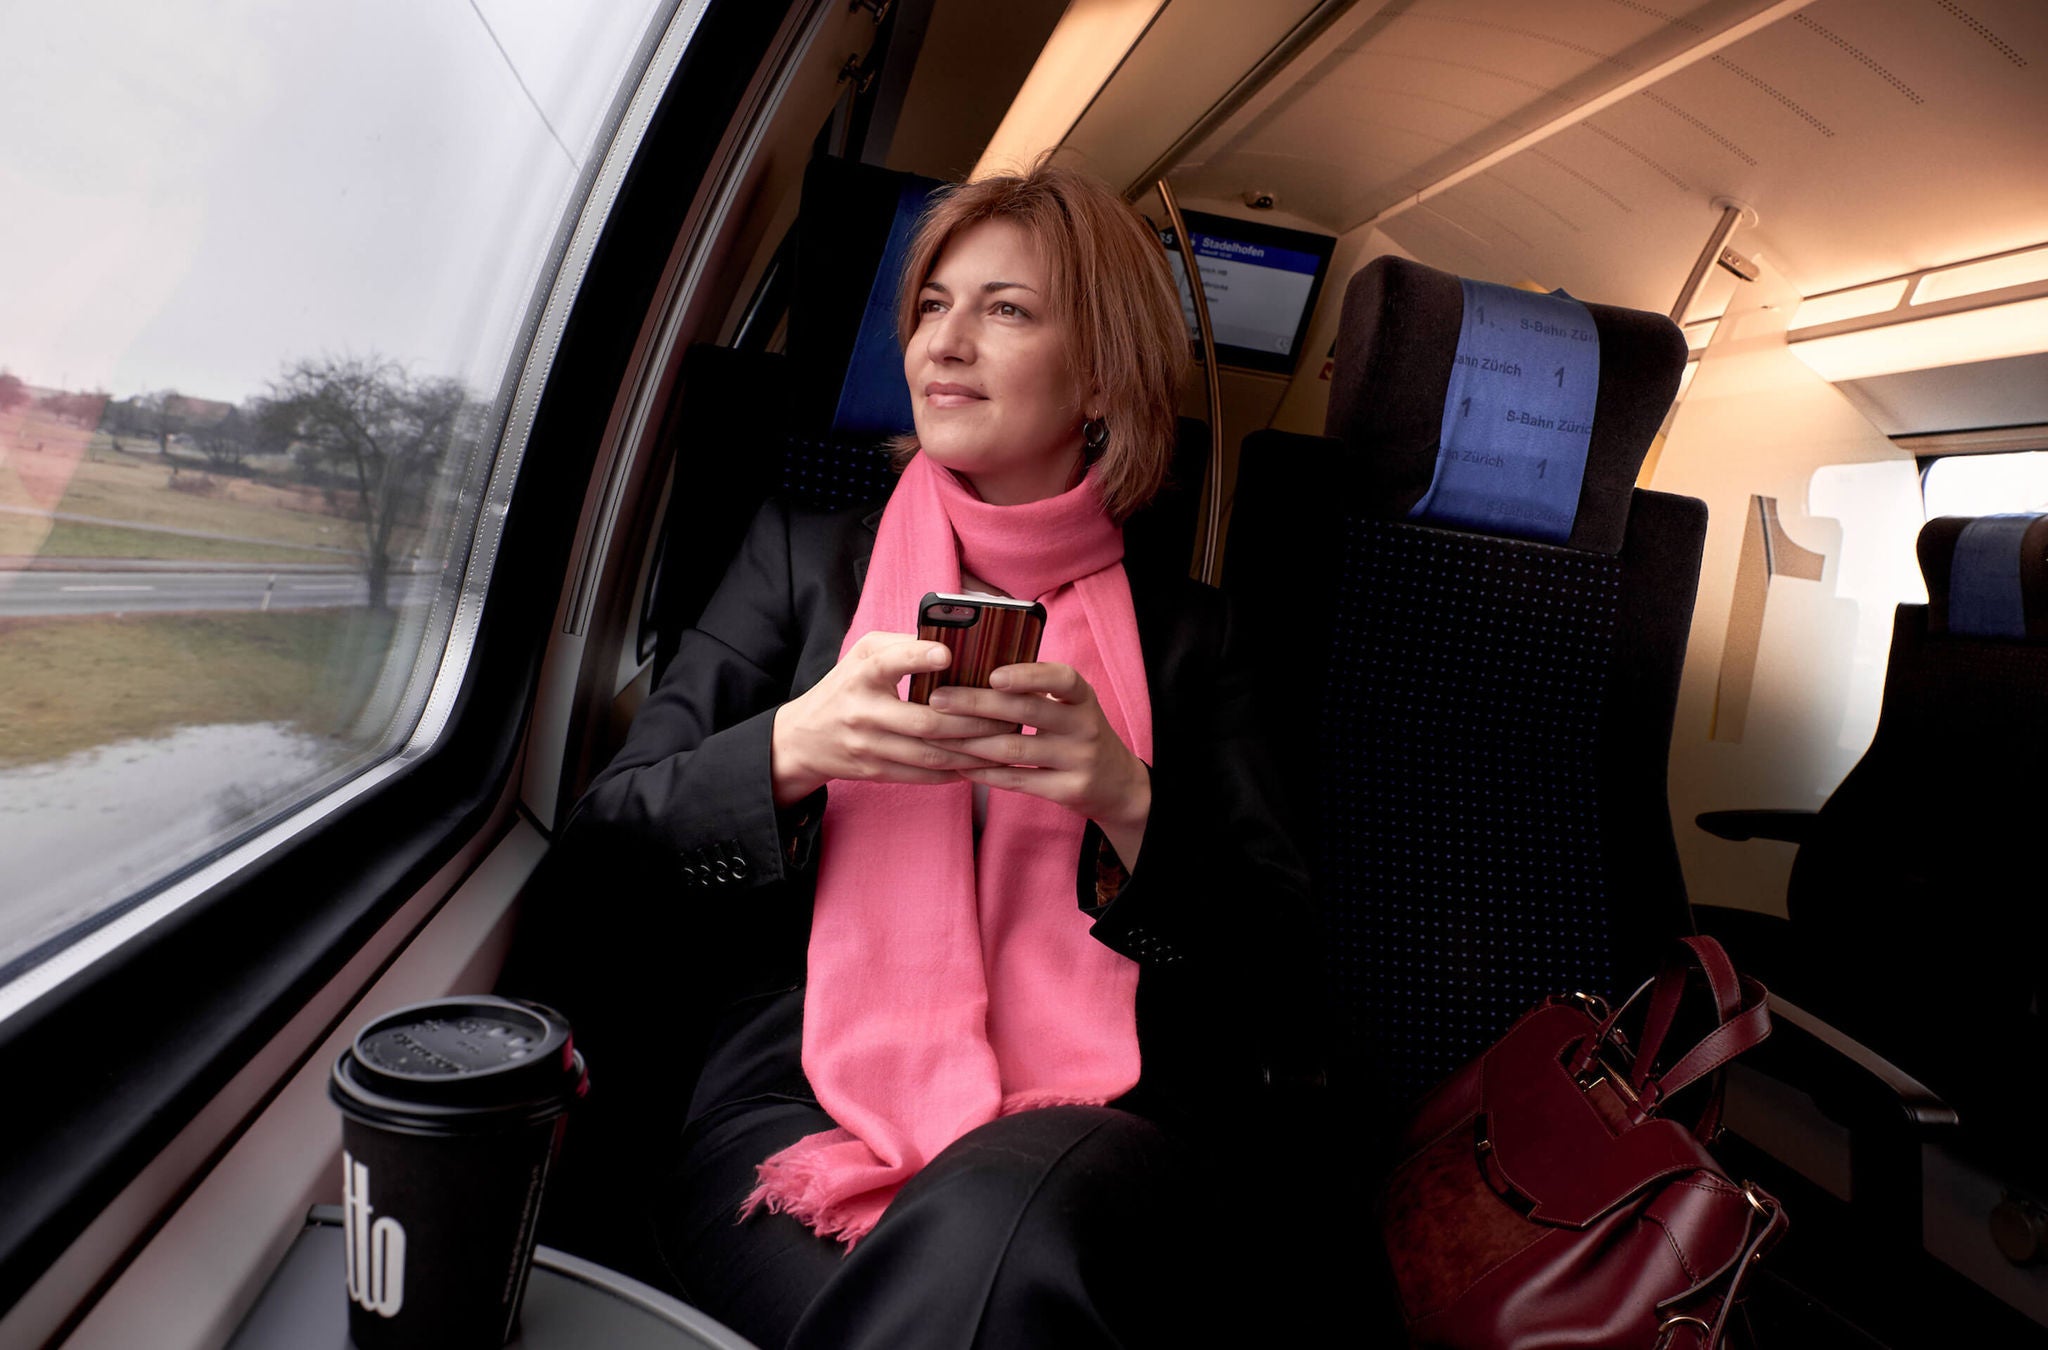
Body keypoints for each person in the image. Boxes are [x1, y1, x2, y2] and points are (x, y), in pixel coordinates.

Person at [564, 162, 1326, 1349]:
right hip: (796, 1105)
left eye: (1006, 309)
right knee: (995, 1291)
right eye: (930, 305)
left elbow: (1276, 971)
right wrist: (792, 746)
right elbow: (605, 846)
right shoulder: (798, 561)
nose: (944, 342)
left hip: (1097, 1119)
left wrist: (1125, 798)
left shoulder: (1193, 636)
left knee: (1012, 1217)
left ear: (1100, 375)